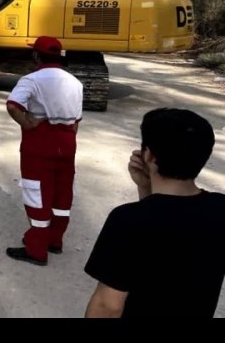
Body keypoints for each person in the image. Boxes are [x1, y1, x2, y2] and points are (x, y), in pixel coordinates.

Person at [84, 108, 225, 318]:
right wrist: (146, 189)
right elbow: (169, 228)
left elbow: (108, 305)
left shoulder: (127, 220)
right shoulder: (219, 208)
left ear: (148, 155)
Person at [4, 36, 83, 266]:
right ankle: (54, 240)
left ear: (36, 56)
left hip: (38, 144)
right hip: (67, 144)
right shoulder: (75, 82)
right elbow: (77, 120)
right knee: (62, 193)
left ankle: (36, 250)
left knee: (37, 194)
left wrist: (28, 124)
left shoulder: (31, 80)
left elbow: (13, 105)